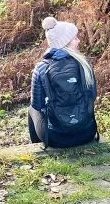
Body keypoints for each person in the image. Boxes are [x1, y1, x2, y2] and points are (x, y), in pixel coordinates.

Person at [29, 16, 99, 148]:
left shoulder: (41, 68)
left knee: (32, 109)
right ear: (66, 42)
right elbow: (92, 97)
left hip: (56, 138)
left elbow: (37, 105)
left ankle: (38, 147)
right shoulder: (84, 65)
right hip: (86, 133)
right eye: (75, 39)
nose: (78, 41)